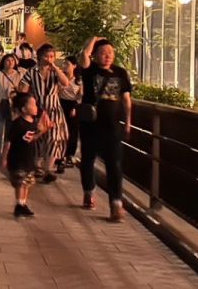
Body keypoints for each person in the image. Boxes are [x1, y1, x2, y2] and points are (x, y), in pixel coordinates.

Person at [78, 37, 133, 222]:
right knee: (87, 160)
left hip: (113, 127)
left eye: (110, 52)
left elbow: (126, 100)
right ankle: (88, 191)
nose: (107, 55)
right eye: (102, 52)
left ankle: (116, 204)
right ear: (95, 55)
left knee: (114, 165)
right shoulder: (90, 70)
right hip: (90, 125)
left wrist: (128, 122)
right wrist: (94, 39)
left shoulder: (120, 73)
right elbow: (84, 55)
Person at [18, 43, 70, 183]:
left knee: (54, 138)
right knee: (38, 138)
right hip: (38, 109)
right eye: (46, 56)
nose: (49, 59)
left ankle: (48, 169)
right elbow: (23, 89)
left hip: (54, 109)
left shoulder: (55, 72)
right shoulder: (32, 72)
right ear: (40, 56)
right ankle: (37, 166)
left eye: (52, 56)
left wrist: (55, 68)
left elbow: (65, 83)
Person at [2, 92, 45, 217]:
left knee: (27, 182)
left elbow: (31, 138)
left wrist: (41, 131)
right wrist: (4, 158)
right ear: (24, 109)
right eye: (32, 105)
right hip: (17, 159)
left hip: (28, 159)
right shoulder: (18, 124)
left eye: (35, 104)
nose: (36, 107)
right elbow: (8, 141)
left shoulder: (33, 123)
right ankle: (19, 205)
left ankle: (23, 203)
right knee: (21, 183)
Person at [0, 53, 22, 166]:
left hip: (13, 105)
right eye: (8, 60)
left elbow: (23, 91)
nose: (10, 62)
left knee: (10, 132)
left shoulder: (19, 75)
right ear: (3, 62)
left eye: (12, 60)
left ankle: (7, 157)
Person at [58, 56, 83, 172]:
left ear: (74, 66)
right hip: (61, 103)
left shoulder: (78, 80)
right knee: (61, 131)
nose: (65, 66)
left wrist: (75, 107)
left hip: (73, 105)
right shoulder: (60, 77)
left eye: (67, 64)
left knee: (72, 131)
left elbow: (80, 95)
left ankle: (69, 155)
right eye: (64, 63)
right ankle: (60, 155)